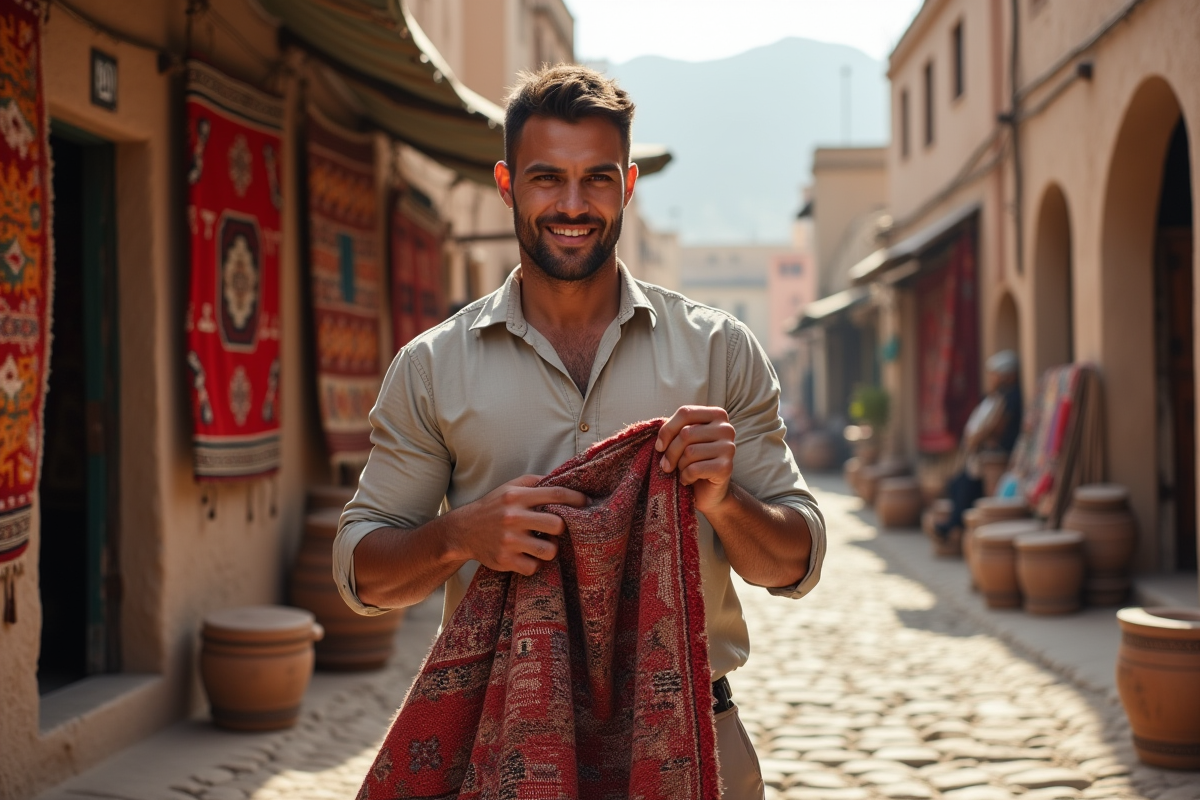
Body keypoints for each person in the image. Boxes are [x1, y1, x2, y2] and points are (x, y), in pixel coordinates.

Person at [333, 64, 826, 799]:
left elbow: (796, 563)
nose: (572, 204)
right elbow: (360, 574)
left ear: (628, 185)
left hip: (695, 742)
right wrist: (461, 535)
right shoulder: (433, 367)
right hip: (504, 747)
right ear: (506, 185)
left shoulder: (719, 351)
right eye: (546, 179)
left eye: (597, 179)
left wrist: (722, 501)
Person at [936, 349, 1023, 540]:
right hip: (987, 454)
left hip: (1001, 457)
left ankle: (955, 526)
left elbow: (996, 427)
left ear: (1007, 375)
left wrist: (979, 437)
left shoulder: (1012, 398)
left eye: (995, 374)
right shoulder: (997, 396)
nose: (992, 378)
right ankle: (957, 525)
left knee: (967, 485)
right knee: (957, 483)